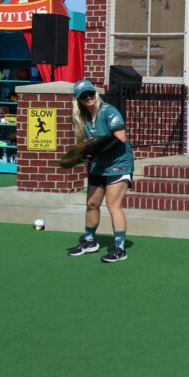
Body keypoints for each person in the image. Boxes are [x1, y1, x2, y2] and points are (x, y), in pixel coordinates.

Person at [67, 79, 135, 263]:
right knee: (91, 203)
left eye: (90, 93)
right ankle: (89, 241)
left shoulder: (109, 111)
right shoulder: (83, 117)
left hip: (119, 163)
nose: (88, 97)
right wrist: (80, 156)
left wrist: (95, 153)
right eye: (83, 96)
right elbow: (87, 145)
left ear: (95, 94)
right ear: (79, 99)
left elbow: (120, 138)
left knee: (113, 205)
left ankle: (120, 248)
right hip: (99, 165)